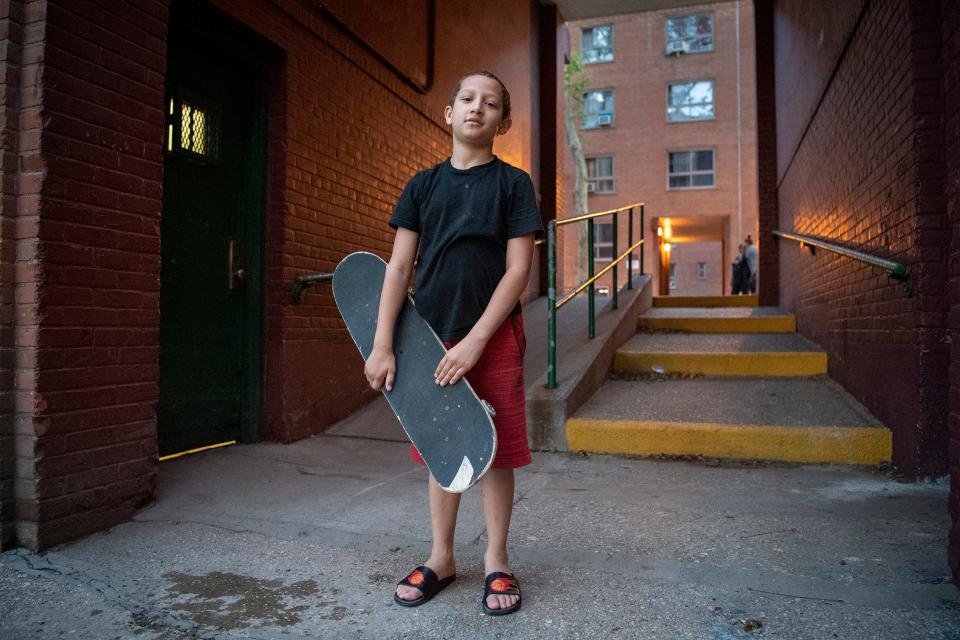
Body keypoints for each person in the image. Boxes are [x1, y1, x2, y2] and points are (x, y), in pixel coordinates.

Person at [364, 71, 542, 616]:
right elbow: (397, 268)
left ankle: (496, 559)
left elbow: (518, 271)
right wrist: (383, 344)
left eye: (490, 104)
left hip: (491, 335)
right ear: (448, 113)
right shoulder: (421, 185)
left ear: (502, 123)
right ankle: (441, 558)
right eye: (466, 99)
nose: (476, 108)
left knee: (497, 448)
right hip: (430, 337)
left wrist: (477, 342)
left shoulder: (513, 185)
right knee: (443, 450)